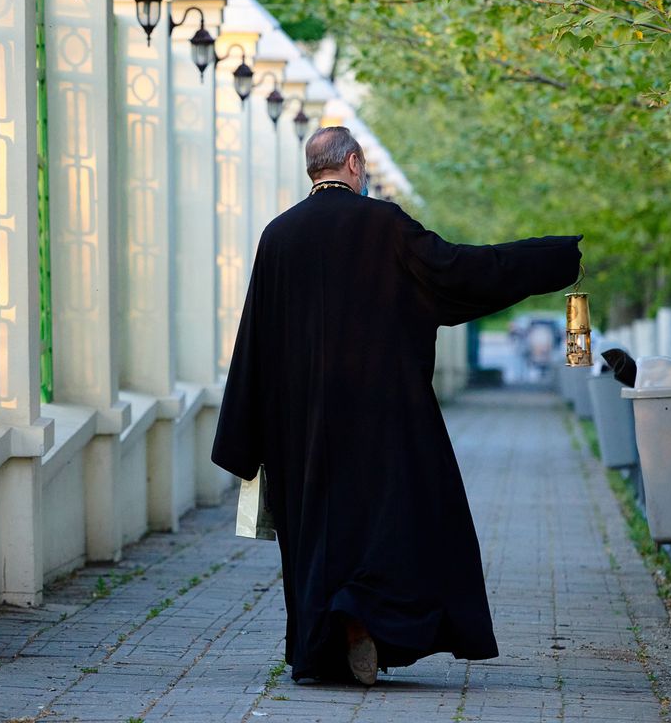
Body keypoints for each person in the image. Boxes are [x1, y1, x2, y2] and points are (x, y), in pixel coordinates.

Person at [211, 127, 582, 686]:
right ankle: (364, 616)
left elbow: (255, 336)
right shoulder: (384, 226)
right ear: (354, 165)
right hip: (382, 411)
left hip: (300, 422)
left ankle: (321, 647)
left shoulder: (278, 235)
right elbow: (459, 272)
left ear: (313, 171)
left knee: (315, 531)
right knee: (388, 520)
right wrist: (551, 259)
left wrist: (247, 434)